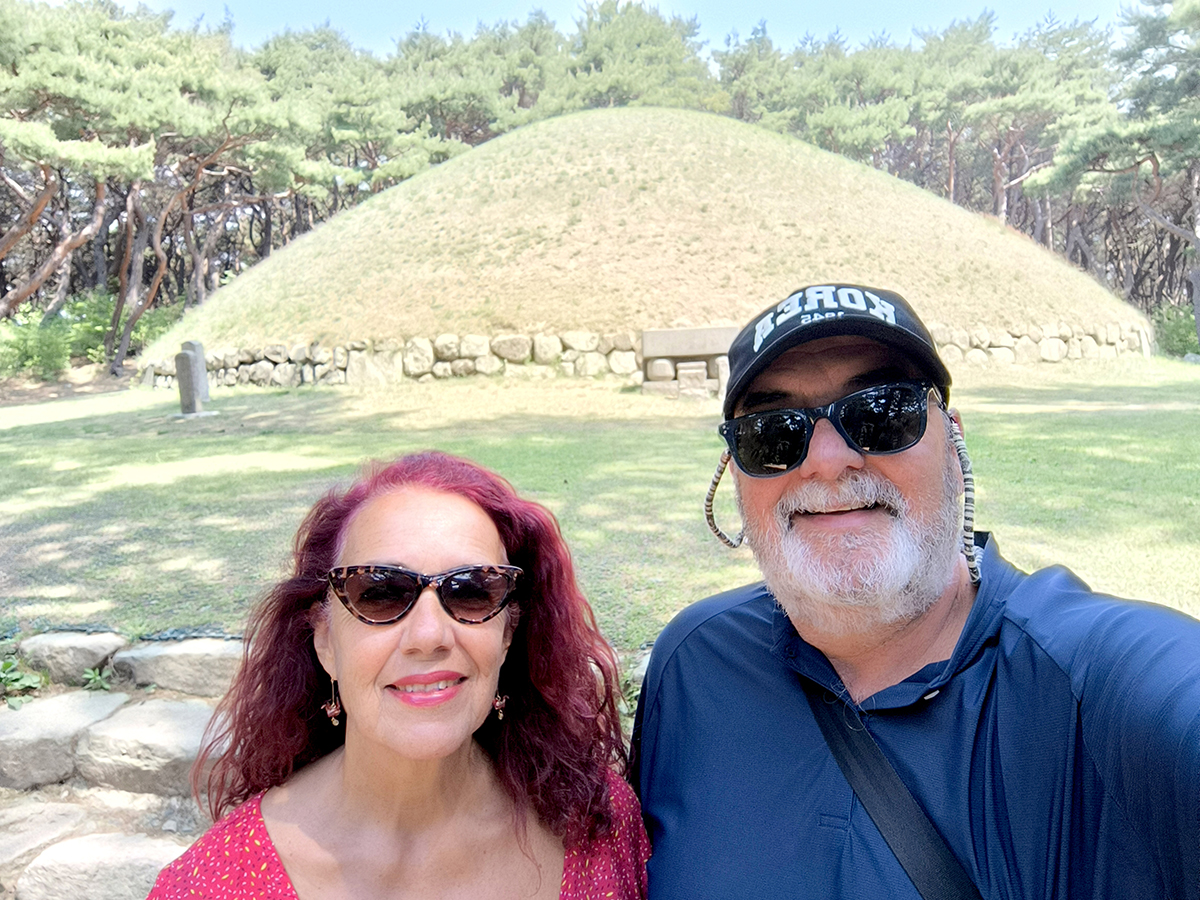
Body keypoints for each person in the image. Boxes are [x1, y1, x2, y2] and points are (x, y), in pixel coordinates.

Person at [630, 283, 1200, 899]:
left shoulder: (1100, 683)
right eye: (772, 434)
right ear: (735, 473)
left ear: (953, 441)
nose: (828, 461)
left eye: (881, 413)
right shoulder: (692, 666)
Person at [151, 451, 649, 899]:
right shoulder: (210, 885)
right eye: (380, 593)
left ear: (507, 635)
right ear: (324, 641)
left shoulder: (598, 827)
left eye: (472, 591)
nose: (429, 635)